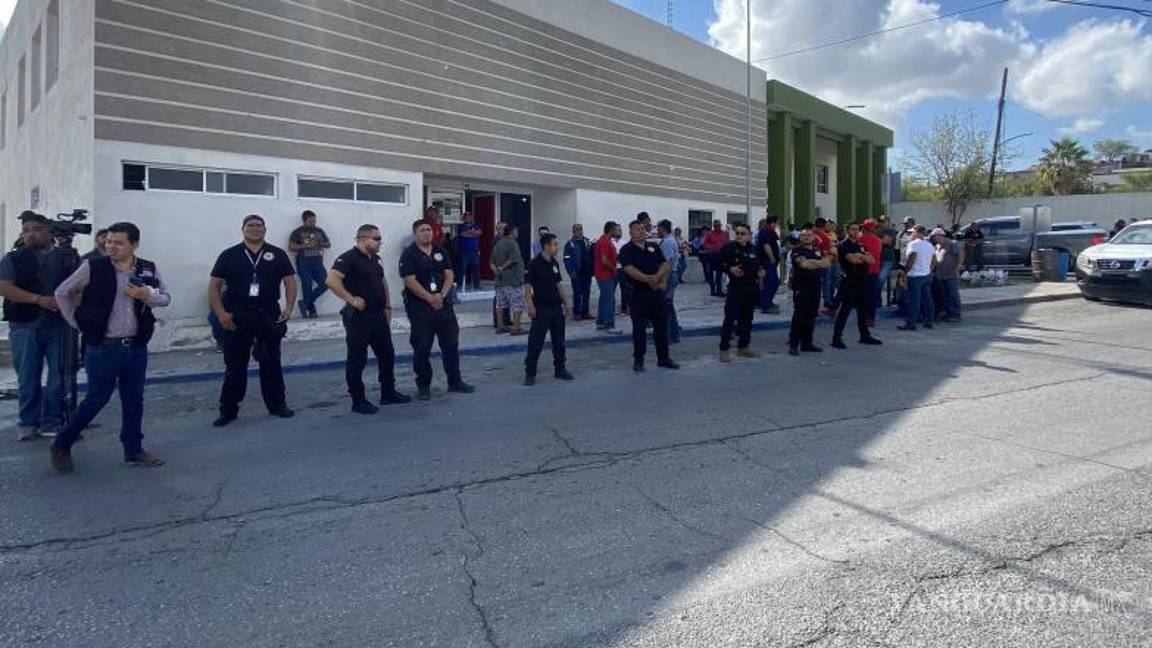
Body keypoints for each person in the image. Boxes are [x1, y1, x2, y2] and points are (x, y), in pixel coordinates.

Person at [49, 222, 171, 473]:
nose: (111, 246)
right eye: (108, 242)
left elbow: (165, 297)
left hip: (136, 345)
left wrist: (146, 295)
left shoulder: (147, 268)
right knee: (96, 399)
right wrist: (78, 324)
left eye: (118, 242)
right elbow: (62, 293)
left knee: (134, 399)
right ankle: (62, 444)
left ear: (134, 245)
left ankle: (133, 450)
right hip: (104, 346)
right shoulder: (93, 266)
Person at [209, 215, 298, 427]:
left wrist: (288, 308)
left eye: (259, 226)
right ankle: (228, 411)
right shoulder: (229, 255)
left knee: (271, 362)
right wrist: (221, 313)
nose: (255, 229)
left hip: (269, 314)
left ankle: (277, 405)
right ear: (243, 229)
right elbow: (214, 286)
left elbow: (290, 282)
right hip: (237, 316)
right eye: (251, 225)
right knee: (235, 365)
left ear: (265, 230)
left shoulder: (277, 254)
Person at [326, 224, 411, 415]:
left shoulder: (376, 259)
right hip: (359, 318)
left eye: (380, 238)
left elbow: (382, 282)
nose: (380, 242)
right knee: (357, 359)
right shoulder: (348, 258)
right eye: (377, 238)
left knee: (387, 354)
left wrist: (387, 306)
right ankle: (358, 400)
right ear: (363, 238)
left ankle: (388, 393)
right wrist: (351, 299)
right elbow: (331, 280)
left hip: (378, 315)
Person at [0, 212, 69, 441]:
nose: (31, 234)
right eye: (27, 230)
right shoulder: (13, 258)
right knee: (28, 376)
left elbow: (80, 284)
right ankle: (28, 423)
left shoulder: (65, 257)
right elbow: (5, 288)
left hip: (59, 325)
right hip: (24, 325)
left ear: (50, 232)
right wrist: (39, 300)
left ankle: (52, 421)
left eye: (37, 229)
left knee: (60, 376)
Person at [400, 220, 475, 401]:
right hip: (420, 309)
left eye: (429, 230)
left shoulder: (440, 251)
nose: (426, 233)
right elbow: (409, 281)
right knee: (422, 349)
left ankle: (455, 381)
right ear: (415, 233)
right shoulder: (409, 254)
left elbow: (449, 274)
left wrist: (441, 295)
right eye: (422, 230)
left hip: (443, 306)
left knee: (451, 345)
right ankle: (424, 386)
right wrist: (430, 297)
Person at [619, 220, 679, 372]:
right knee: (639, 329)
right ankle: (639, 360)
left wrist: (660, 279)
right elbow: (628, 269)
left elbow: (665, 264)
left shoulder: (653, 246)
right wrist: (648, 279)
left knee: (661, 327)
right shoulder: (627, 249)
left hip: (656, 292)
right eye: (637, 229)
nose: (640, 231)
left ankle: (663, 358)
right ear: (630, 232)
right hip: (638, 293)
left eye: (642, 228)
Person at [523, 233, 574, 386]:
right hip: (541, 309)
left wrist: (566, 303)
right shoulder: (533, 264)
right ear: (546, 246)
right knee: (535, 342)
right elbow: (527, 287)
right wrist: (530, 305)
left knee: (559, 341)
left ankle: (560, 369)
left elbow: (559, 284)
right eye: (554, 244)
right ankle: (530, 373)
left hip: (556, 308)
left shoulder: (554, 263)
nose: (556, 247)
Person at [831, 223, 883, 350]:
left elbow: (872, 260)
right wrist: (861, 257)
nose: (855, 231)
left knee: (863, 310)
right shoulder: (844, 245)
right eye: (852, 229)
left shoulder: (861, 245)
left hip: (863, 280)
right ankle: (836, 338)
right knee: (845, 310)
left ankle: (864, 335)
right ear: (847, 230)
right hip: (849, 281)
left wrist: (860, 256)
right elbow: (852, 260)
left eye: (857, 229)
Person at [717, 222, 764, 362]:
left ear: (749, 236)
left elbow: (759, 266)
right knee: (730, 318)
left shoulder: (754, 250)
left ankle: (743, 347)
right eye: (737, 233)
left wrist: (761, 272)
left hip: (751, 288)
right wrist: (729, 269)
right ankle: (724, 349)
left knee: (747, 319)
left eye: (742, 234)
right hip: (736, 287)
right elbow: (718, 263)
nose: (739, 236)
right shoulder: (729, 248)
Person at [788, 228, 832, 356]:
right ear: (800, 238)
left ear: (813, 237)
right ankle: (794, 345)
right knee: (799, 316)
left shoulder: (817, 251)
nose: (806, 237)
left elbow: (827, 263)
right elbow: (804, 265)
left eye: (809, 235)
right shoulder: (796, 251)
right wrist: (819, 263)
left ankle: (807, 344)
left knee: (811, 316)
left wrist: (814, 263)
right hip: (802, 287)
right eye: (803, 235)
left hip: (815, 287)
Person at [287, 210, 331, 319]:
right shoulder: (297, 232)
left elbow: (328, 243)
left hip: (318, 262)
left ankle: (304, 303)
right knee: (307, 286)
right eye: (310, 221)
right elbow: (291, 247)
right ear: (304, 221)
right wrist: (305, 246)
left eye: (314, 221)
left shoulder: (319, 231)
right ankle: (311, 310)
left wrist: (320, 243)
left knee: (327, 283)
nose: (313, 223)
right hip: (304, 263)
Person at [898, 225, 936, 331]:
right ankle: (929, 321)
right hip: (926, 275)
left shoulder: (913, 244)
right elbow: (934, 260)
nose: (911, 234)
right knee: (927, 299)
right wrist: (929, 271)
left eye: (912, 232)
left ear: (917, 232)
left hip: (915, 276)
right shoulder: (929, 245)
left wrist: (905, 273)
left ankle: (911, 323)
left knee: (914, 300)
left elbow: (912, 258)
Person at [491, 223, 527, 335]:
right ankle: (516, 327)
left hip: (500, 280)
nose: (517, 233)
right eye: (516, 231)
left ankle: (500, 325)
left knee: (500, 303)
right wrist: (502, 268)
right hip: (513, 280)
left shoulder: (498, 244)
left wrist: (496, 270)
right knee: (517, 303)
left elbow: (491, 261)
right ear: (512, 232)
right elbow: (513, 259)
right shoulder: (513, 244)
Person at [657, 219, 682, 344]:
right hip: (673, 274)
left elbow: (668, 263)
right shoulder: (671, 240)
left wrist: (664, 281)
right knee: (669, 306)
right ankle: (674, 334)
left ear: (663, 229)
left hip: (669, 276)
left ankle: (666, 337)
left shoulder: (667, 242)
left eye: (658, 228)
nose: (657, 231)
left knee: (665, 306)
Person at [594, 221, 622, 334]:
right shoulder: (605, 241)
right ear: (611, 230)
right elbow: (604, 260)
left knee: (604, 298)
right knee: (610, 299)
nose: (619, 231)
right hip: (605, 275)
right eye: (617, 229)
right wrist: (614, 269)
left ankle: (601, 322)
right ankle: (609, 324)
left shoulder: (606, 241)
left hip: (604, 274)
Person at [932, 227, 964, 322]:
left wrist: (957, 268)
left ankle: (955, 314)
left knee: (952, 294)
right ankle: (946, 313)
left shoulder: (952, 244)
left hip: (951, 274)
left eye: (936, 237)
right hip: (940, 275)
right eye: (934, 238)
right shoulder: (937, 246)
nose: (935, 239)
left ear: (942, 236)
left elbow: (961, 255)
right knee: (944, 295)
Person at [563, 224, 594, 321]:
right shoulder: (570, 244)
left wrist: (592, 269)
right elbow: (567, 259)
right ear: (573, 231)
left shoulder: (588, 242)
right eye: (577, 230)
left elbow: (593, 256)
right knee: (577, 293)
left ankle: (585, 312)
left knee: (586, 293)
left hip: (587, 272)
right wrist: (570, 270)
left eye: (580, 229)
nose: (579, 231)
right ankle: (577, 313)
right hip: (576, 273)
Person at [858, 219, 883, 325]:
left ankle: (863, 317)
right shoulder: (877, 240)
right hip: (874, 270)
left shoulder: (859, 238)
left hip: (861, 270)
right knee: (871, 295)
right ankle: (870, 318)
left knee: (861, 295)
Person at [755, 217, 781, 314]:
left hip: (768, 262)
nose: (777, 226)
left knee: (772, 283)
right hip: (766, 262)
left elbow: (778, 239)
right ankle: (766, 306)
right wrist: (772, 258)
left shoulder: (770, 231)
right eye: (777, 223)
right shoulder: (765, 232)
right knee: (770, 283)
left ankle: (767, 302)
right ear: (772, 223)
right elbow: (766, 246)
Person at [701, 220, 730, 296]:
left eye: (719, 225)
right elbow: (705, 244)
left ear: (721, 225)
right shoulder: (710, 234)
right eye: (716, 225)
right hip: (711, 255)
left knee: (719, 274)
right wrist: (711, 248)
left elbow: (727, 243)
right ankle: (713, 290)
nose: (717, 227)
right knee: (710, 273)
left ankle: (719, 290)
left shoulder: (725, 234)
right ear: (714, 226)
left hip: (721, 256)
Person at [455, 212, 482, 291]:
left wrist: (469, 232)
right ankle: (459, 285)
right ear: (464, 218)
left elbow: (479, 232)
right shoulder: (461, 226)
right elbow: (463, 234)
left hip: (474, 251)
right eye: (466, 217)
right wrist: (474, 234)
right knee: (462, 268)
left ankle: (477, 285)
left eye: (469, 217)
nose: (468, 218)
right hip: (464, 251)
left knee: (476, 268)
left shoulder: (475, 225)